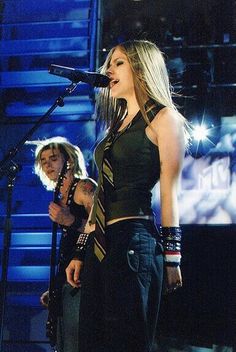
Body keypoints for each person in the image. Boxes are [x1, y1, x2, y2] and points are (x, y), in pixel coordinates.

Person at [66, 40, 190, 352]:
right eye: (109, 63)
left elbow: (170, 189)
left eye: (118, 62)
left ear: (142, 67)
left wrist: (173, 256)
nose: (108, 69)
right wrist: (81, 249)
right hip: (99, 242)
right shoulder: (115, 126)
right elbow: (101, 193)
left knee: (127, 339)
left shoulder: (165, 119)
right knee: (91, 339)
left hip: (133, 240)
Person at [32, 136, 96, 352]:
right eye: (43, 161)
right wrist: (56, 286)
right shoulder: (60, 196)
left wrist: (72, 221)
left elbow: (100, 224)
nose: (47, 164)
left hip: (84, 275)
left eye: (53, 158)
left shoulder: (84, 187)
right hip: (67, 278)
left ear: (68, 160)